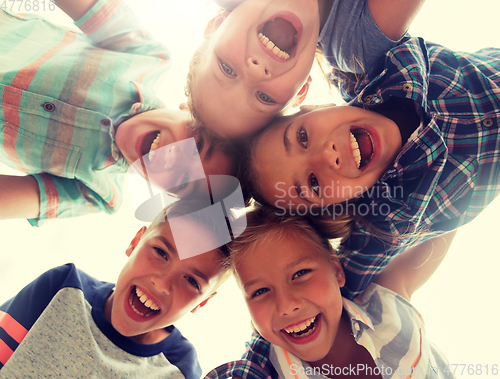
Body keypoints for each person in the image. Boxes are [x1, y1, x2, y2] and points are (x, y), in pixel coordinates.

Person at [244, 34, 500, 298]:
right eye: (313, 184)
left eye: (302, 137)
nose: (326, 156)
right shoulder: (383, 225)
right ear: (333, 206)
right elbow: (334, 296)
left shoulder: (369, 62)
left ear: (312, 108)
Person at [0, 0, 235, 226]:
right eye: (197, 144)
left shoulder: (97, 194)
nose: (173, 158)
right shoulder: (147, 57)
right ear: (191, 108)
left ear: (170, 194)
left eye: (184, 181)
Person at [206, 205, 457, 379]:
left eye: (300, 273)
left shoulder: (386, 301)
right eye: (260, 291)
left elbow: (454, 214)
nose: (286, 305)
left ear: (336, 269)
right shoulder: (263, 371)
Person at [0, 201, 232, 378]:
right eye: (161, 252)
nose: (161, 284)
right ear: (135, 242)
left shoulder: (181, 369)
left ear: (203, 302)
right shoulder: (62, 287)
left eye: (192, 281)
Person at [185, 0, 425, 138]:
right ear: (301, 92)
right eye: (264, 97)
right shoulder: (355, 45)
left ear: (217, 24)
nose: (256, 72)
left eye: (226, 68)